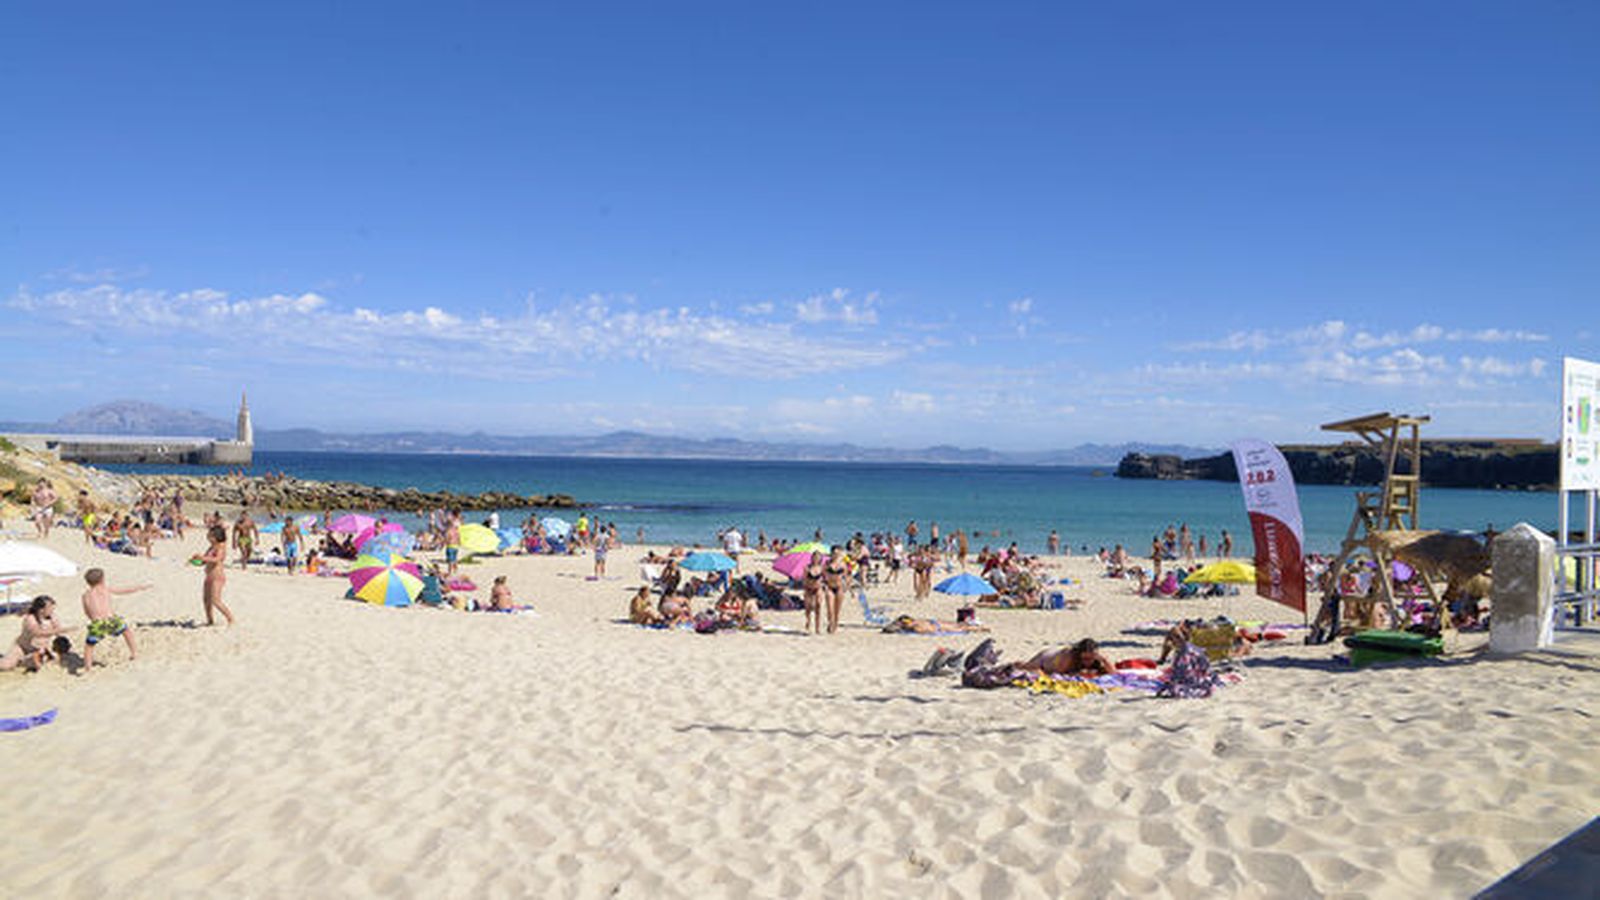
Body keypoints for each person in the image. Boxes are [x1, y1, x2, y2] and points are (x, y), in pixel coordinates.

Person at [81, 568, 150, 671]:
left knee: (89, 646)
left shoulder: (85, 595)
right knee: (127, 632)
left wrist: (92, 620)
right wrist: (140, 588)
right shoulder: (105, 589)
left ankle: (88, 667)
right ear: (102, 580)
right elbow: (123, 591)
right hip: (111, 620)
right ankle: (134, 653)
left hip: (97, 623)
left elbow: (86, 611)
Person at [0, 596, 69, 672]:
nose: (52, 609)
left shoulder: (53, 617)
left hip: (40, 649)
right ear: (41, 610)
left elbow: (58, 632)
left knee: (43, 658)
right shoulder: (30, 619)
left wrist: (62, 642)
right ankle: (22, 660)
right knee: (6, 666)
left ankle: (27, 661)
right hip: (22, 647)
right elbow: (37, 633)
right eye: (50, 607)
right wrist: (63, 630)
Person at [192, 524, 236, 626]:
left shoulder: (221, 547)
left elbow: (217, 559)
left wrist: (203, 558)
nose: (208, 537)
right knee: (206, 600)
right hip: (208, 576)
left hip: (217, 577)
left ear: (217, 537)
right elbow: (205, 560)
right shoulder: (211, 547)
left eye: (211, 535)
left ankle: (230, 619)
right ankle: (210, 620)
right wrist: (196, 561)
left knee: (216, 600)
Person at [1016, 638, 1114, 677]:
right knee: (1025, 666)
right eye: (1084, 659)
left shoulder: (1098, 657)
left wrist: (1104, 660)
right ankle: (1011, 664)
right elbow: (1058, 673)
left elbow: (1114, 673)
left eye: (1090, 659)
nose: (1088, 662)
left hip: (1054, 656)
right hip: (1045, 659)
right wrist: (1077, 673)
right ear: (1079, 654)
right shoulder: (1069, 657)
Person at [823, 547, 848, 634]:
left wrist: (847, 588)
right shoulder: (827, 563)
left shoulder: (843, 564)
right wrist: (824, 584)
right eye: (834, 553)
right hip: (829, 587)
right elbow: (822, 575)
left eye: (838, 553)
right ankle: (830, 623)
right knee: (830, 609)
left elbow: (846, 577)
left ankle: (835, 624)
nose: (836, 555)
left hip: (839, 588)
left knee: (837, 610)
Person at [802, 551, 825, 634]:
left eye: (818, 557)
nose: (816, 559)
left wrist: (823, 583)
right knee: (808, 609)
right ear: (812, 558)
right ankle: (808, 622)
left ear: (820, 559)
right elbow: (804, 579)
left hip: (818, 589)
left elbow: (825, 578)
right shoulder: (807, 568)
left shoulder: (822, 568)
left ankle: (817, 627)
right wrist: (805, 588)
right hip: (808, 589)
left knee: (818, 607)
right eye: (814, 557)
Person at [443, 511, 462, 577]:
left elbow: (447, 539)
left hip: (450, 546)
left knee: (450, 561)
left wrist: (444, 543)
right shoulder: (457, 531)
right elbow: (459, 540)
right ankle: (455, 571)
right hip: (456, 547)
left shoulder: (449, 531)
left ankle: (450, 572)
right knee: (455, 559)